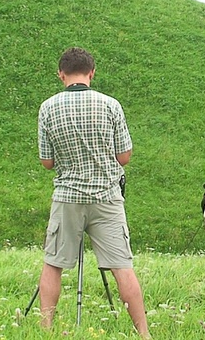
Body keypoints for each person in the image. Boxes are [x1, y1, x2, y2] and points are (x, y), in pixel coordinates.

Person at [37, 47, 151, 339]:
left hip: (68, 198)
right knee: (122, 267)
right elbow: (124, 156)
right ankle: (143, 334)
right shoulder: (111, 105)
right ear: (92, 72)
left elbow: (47, 162)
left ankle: (45, 330)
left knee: (54, 265)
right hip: (107, 198)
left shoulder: (48, 107)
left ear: (61, 74)